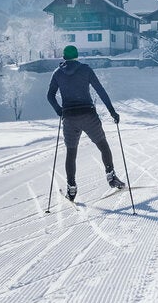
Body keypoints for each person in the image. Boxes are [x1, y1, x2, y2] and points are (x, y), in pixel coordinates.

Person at [47, 45, 125, 201]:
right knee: (103, 146)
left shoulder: (57, 73)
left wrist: (59, 111)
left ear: (64, 57)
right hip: (88, 114)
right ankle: (111, 176)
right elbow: (100, 91)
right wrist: (112, 111)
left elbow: (50, 96)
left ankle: (72, 188)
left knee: (71, 153)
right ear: (77, 56)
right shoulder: (85, 69)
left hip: (69, 118)